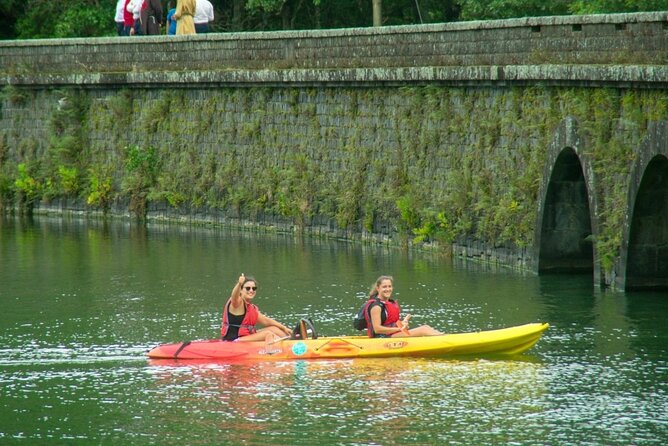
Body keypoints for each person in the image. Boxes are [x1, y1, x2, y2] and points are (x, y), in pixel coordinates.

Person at [363, 275, 443, 338]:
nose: (388, 289)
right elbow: (377, 329)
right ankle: (445, 341)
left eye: (389, 286)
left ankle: (444, 337)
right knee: (424, 329)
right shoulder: (376, 306)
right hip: (381, 338)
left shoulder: (388, 303)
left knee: (426, 327)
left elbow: (389, 323)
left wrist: (401, 324)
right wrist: (399, 329)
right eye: (384, 287)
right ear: (378, 288)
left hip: (390, 335)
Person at [221, 274, 292, 342]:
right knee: (268, 334)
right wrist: (239, 284)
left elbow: (266, 321)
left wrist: (284, 328)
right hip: (234, 340)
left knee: (274, 329)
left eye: (254, 288)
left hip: (246, 337)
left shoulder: (251, 308)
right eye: (248, 288)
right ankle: (272, 352)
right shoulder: (237, 303)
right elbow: (234, 297)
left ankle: (291, 343)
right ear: (241, 290)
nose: (251, 290)